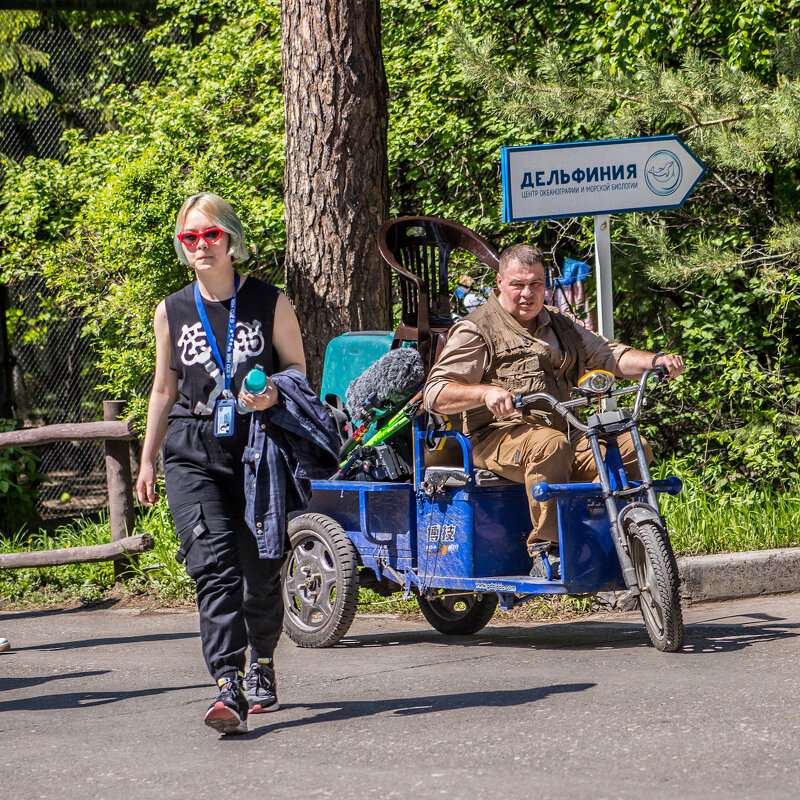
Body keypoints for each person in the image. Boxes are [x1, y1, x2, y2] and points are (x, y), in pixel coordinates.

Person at [136, 192, 306, 735]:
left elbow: (298, 367)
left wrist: (273, 393)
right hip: (191, 446)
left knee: (260, 572)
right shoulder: (172, 309)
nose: (201, 246)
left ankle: (262, 660)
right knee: (213, 567)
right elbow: (163, 389)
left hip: (257, 448)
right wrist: (147, 461)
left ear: (231, 240)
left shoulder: (269, 301)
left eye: (211, 235)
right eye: (190, 237)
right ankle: (227, 683)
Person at [423, 244, 684, 578]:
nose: (527, 293)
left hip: (567, 431)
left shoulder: (561, 324)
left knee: (633, 447)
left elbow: (609, 355)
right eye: (518, 284)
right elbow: (436, 392)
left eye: (536, 284)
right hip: (497, 437)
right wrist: (485, 392)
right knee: (548, 445)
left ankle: (624, 534)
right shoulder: (477, 329)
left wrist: (656, 361)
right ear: (500, 282)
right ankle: (548, 549)